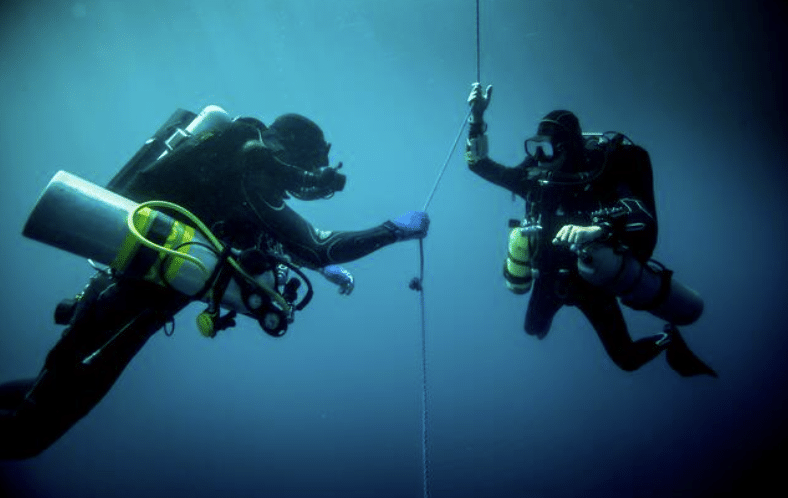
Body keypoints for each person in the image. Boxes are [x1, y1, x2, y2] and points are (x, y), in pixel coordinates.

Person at [0, 106, 429, 459]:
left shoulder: (235, 167)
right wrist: (393, 230)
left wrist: (317, 264)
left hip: (123, 298)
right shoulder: (251, 162)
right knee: (31, 433)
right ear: (293, 153)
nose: (307, 178)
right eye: (310, 164)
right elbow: (320, 245)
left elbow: (280, 240)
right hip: (128, 305)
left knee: (42, 400)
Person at [464, 83, 715, 378]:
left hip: (590, 280)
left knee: (626, 359)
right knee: (533, 328)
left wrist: (598, 228)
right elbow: (478, 164)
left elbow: (637, 208)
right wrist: (476, 118)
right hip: (548, 273)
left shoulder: (599, 177)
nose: (539, 157)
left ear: (566, 147)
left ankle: (668, 338)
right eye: (536, 146)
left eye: (547, 147)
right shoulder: (534, 180)